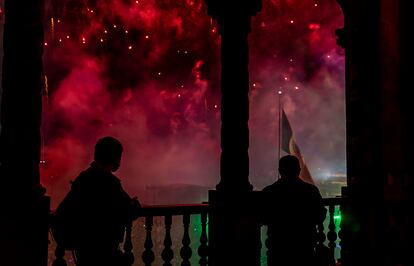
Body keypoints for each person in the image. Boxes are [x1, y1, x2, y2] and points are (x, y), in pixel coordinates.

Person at [53, 136, 141, 266]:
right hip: (104, 248)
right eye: (119, 156)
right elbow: (129, 209)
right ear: (113, 157)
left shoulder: (84, 178)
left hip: (84, 248)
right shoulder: (109, 182)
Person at [262, 155, 325, 266]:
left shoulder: (269, 191)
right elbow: (320, 215)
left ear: (280, 171)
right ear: (298, 170)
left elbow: (263, 217)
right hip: (305, 246)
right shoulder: (310, 191)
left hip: (278, 247)